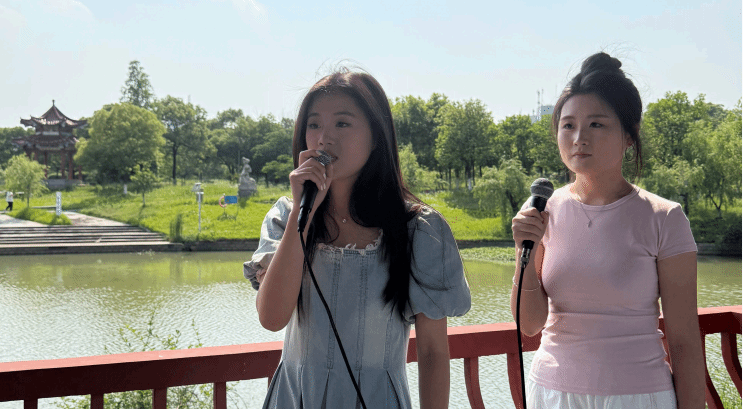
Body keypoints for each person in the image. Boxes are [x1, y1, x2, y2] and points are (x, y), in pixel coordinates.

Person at [243, 69, 471, 408]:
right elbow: (272, 318)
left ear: (376, 136)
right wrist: (302, 217)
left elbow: (433, 351)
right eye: (314, 124)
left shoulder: (419, 230)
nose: (324, 138)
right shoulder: (285, 217)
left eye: (342, 123)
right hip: (295, 397)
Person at [510, 52, 705, 409]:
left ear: (629, 135)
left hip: (638, 396)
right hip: (552, 393)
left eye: (596, 125)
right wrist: (525, 248)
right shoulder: (543, 210)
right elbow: (530, 323)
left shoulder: (664, 218)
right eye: (568, 125)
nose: (578, 138)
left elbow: (684, 342)